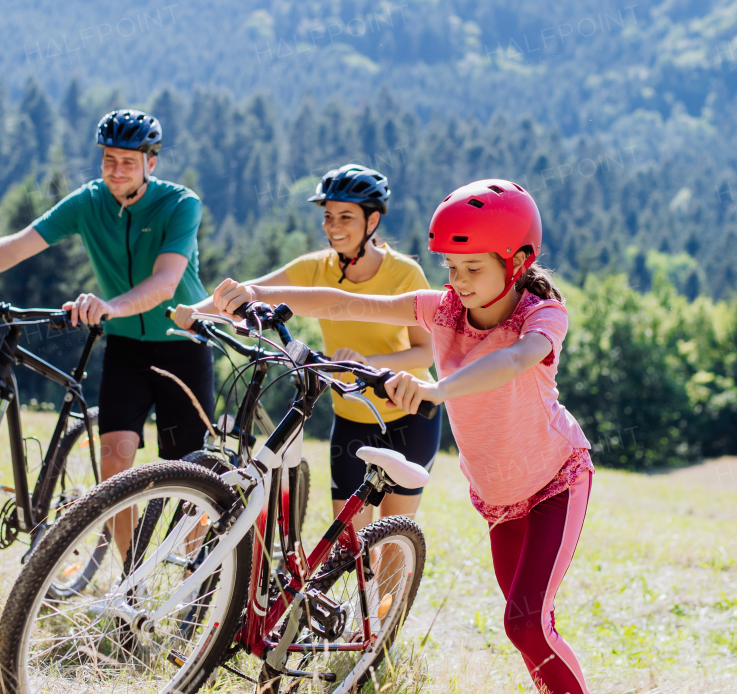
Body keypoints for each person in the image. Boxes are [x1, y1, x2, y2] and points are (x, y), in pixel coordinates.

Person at [212, 179, 595, 694]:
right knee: (526, 627)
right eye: (452, 269)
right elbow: (343, 303)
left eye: (474, 268)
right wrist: (258, 293)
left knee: (526, 624)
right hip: (500, 497)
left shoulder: (541, 316)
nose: (458, 282)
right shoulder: (442, 311)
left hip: (555, 483)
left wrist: (437, 389)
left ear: (519, 261)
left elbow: (512, 360)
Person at [0, 109, 214, 523]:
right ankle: (129, 580)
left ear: (151, 163)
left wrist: (111, 307)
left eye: (128, 162)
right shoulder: (90, 201)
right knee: (114, 470)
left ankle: (189, 577)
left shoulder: (180, 204)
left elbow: (165, 282)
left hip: (182, 344)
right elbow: (18, 245)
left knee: (187, 475)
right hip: (126, 348)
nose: (116, 170)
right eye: (109, 159)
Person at [175, 163, 438, 531]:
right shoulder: (316, 268)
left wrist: (369, 362)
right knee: (347, 542)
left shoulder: (405, 274)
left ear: (373, 220)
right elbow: (255, 287)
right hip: (351, 418)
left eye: (346, 216)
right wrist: (194, 311)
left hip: (408, 417)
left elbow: (425, 353)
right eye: (328, 216)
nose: (333, 226)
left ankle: (391, 591)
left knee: (392, 533)